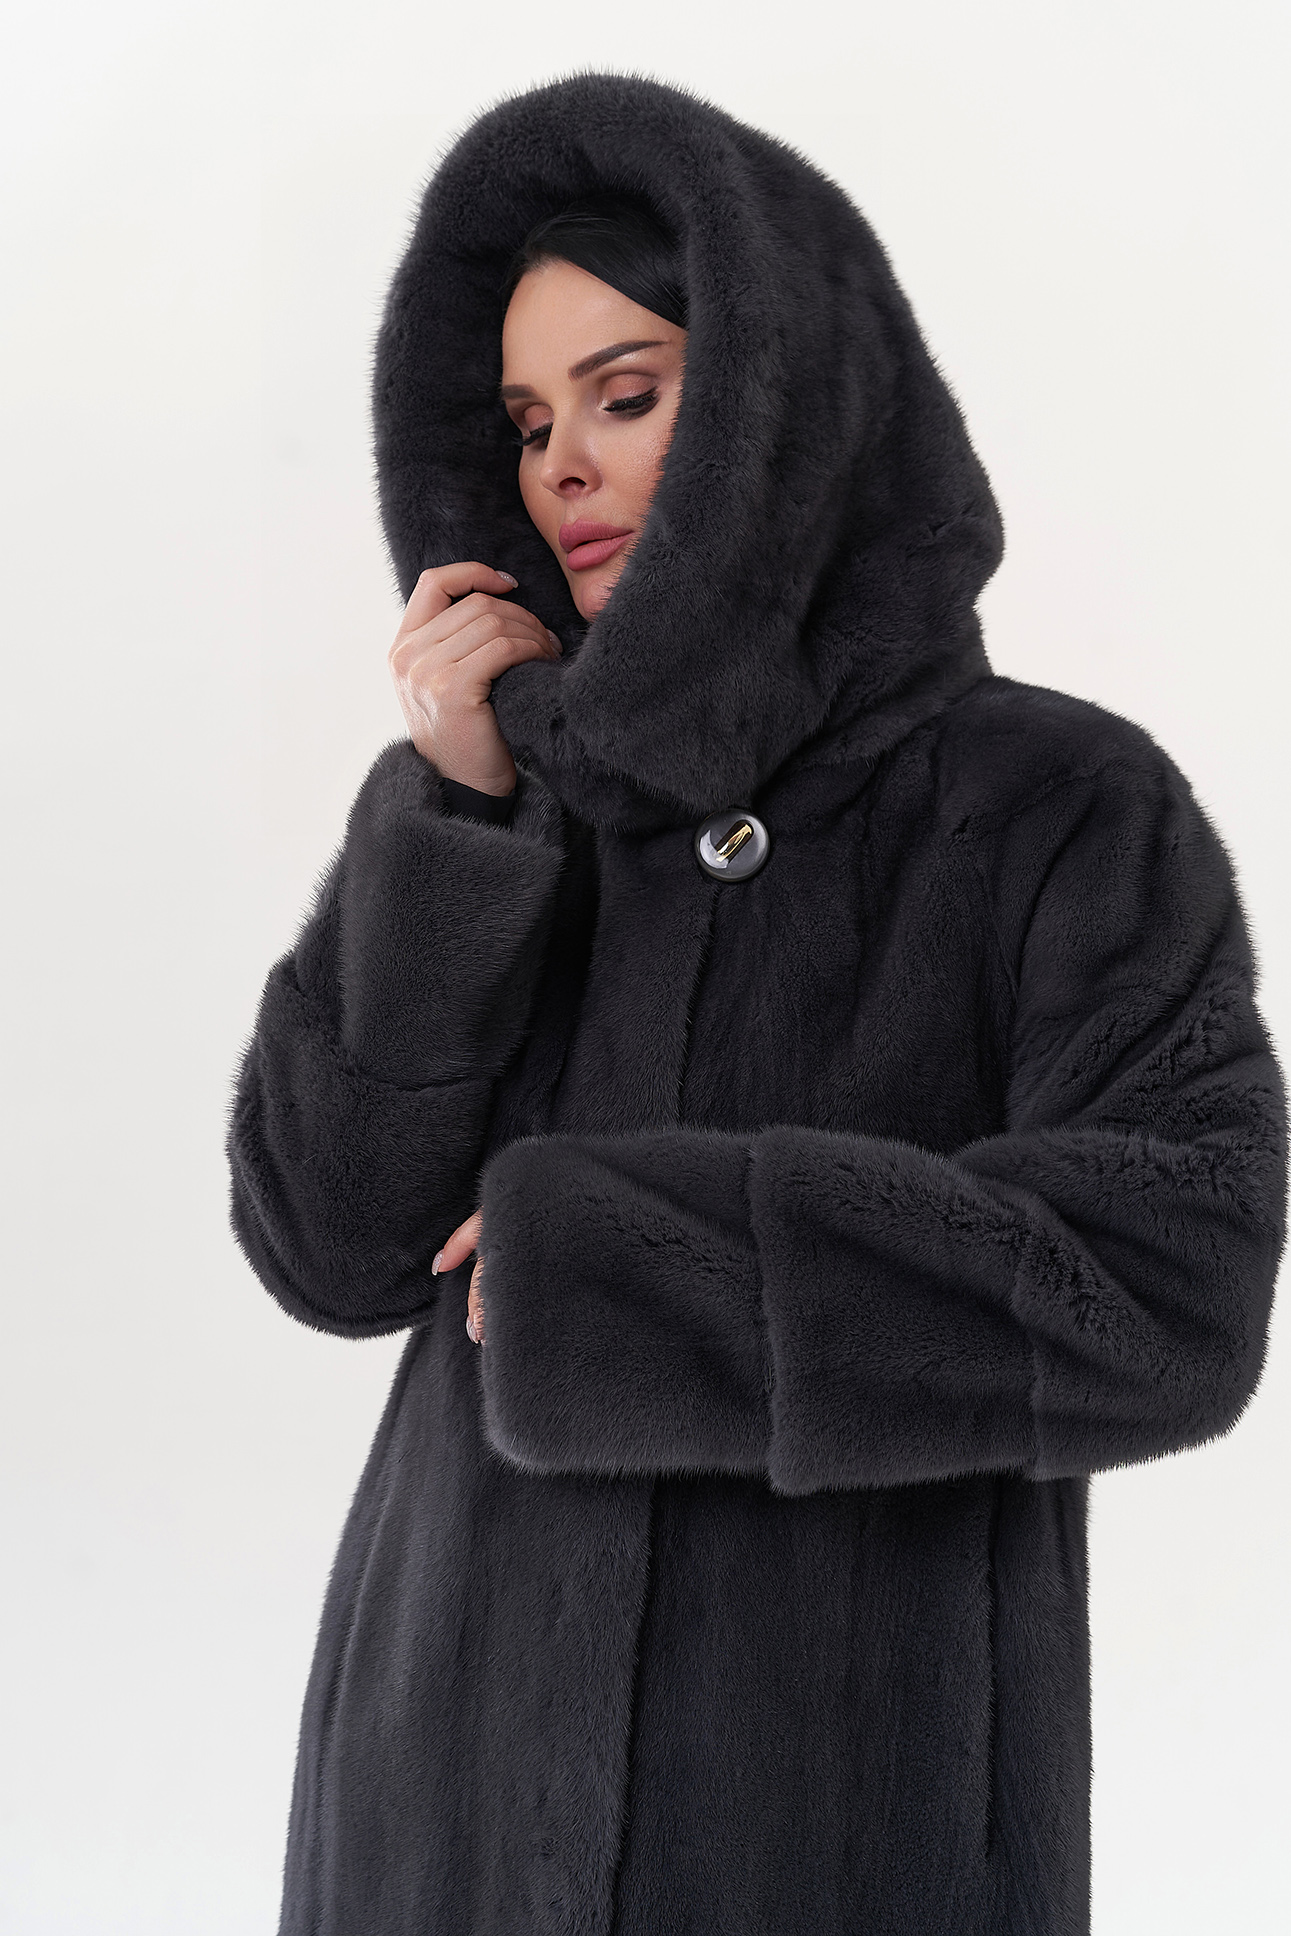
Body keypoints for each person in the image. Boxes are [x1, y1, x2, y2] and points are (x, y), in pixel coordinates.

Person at [226, 73, 1286, 1936]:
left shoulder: (1056, 805)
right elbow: (327, 1245)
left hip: (841, 1814)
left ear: (781, 411)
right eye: (527, 424)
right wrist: (455, 820)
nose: (560, 467)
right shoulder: (513, 811)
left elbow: (1171, 1282)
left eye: (627, 395)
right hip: (439, 1800)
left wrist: (639, 1269)